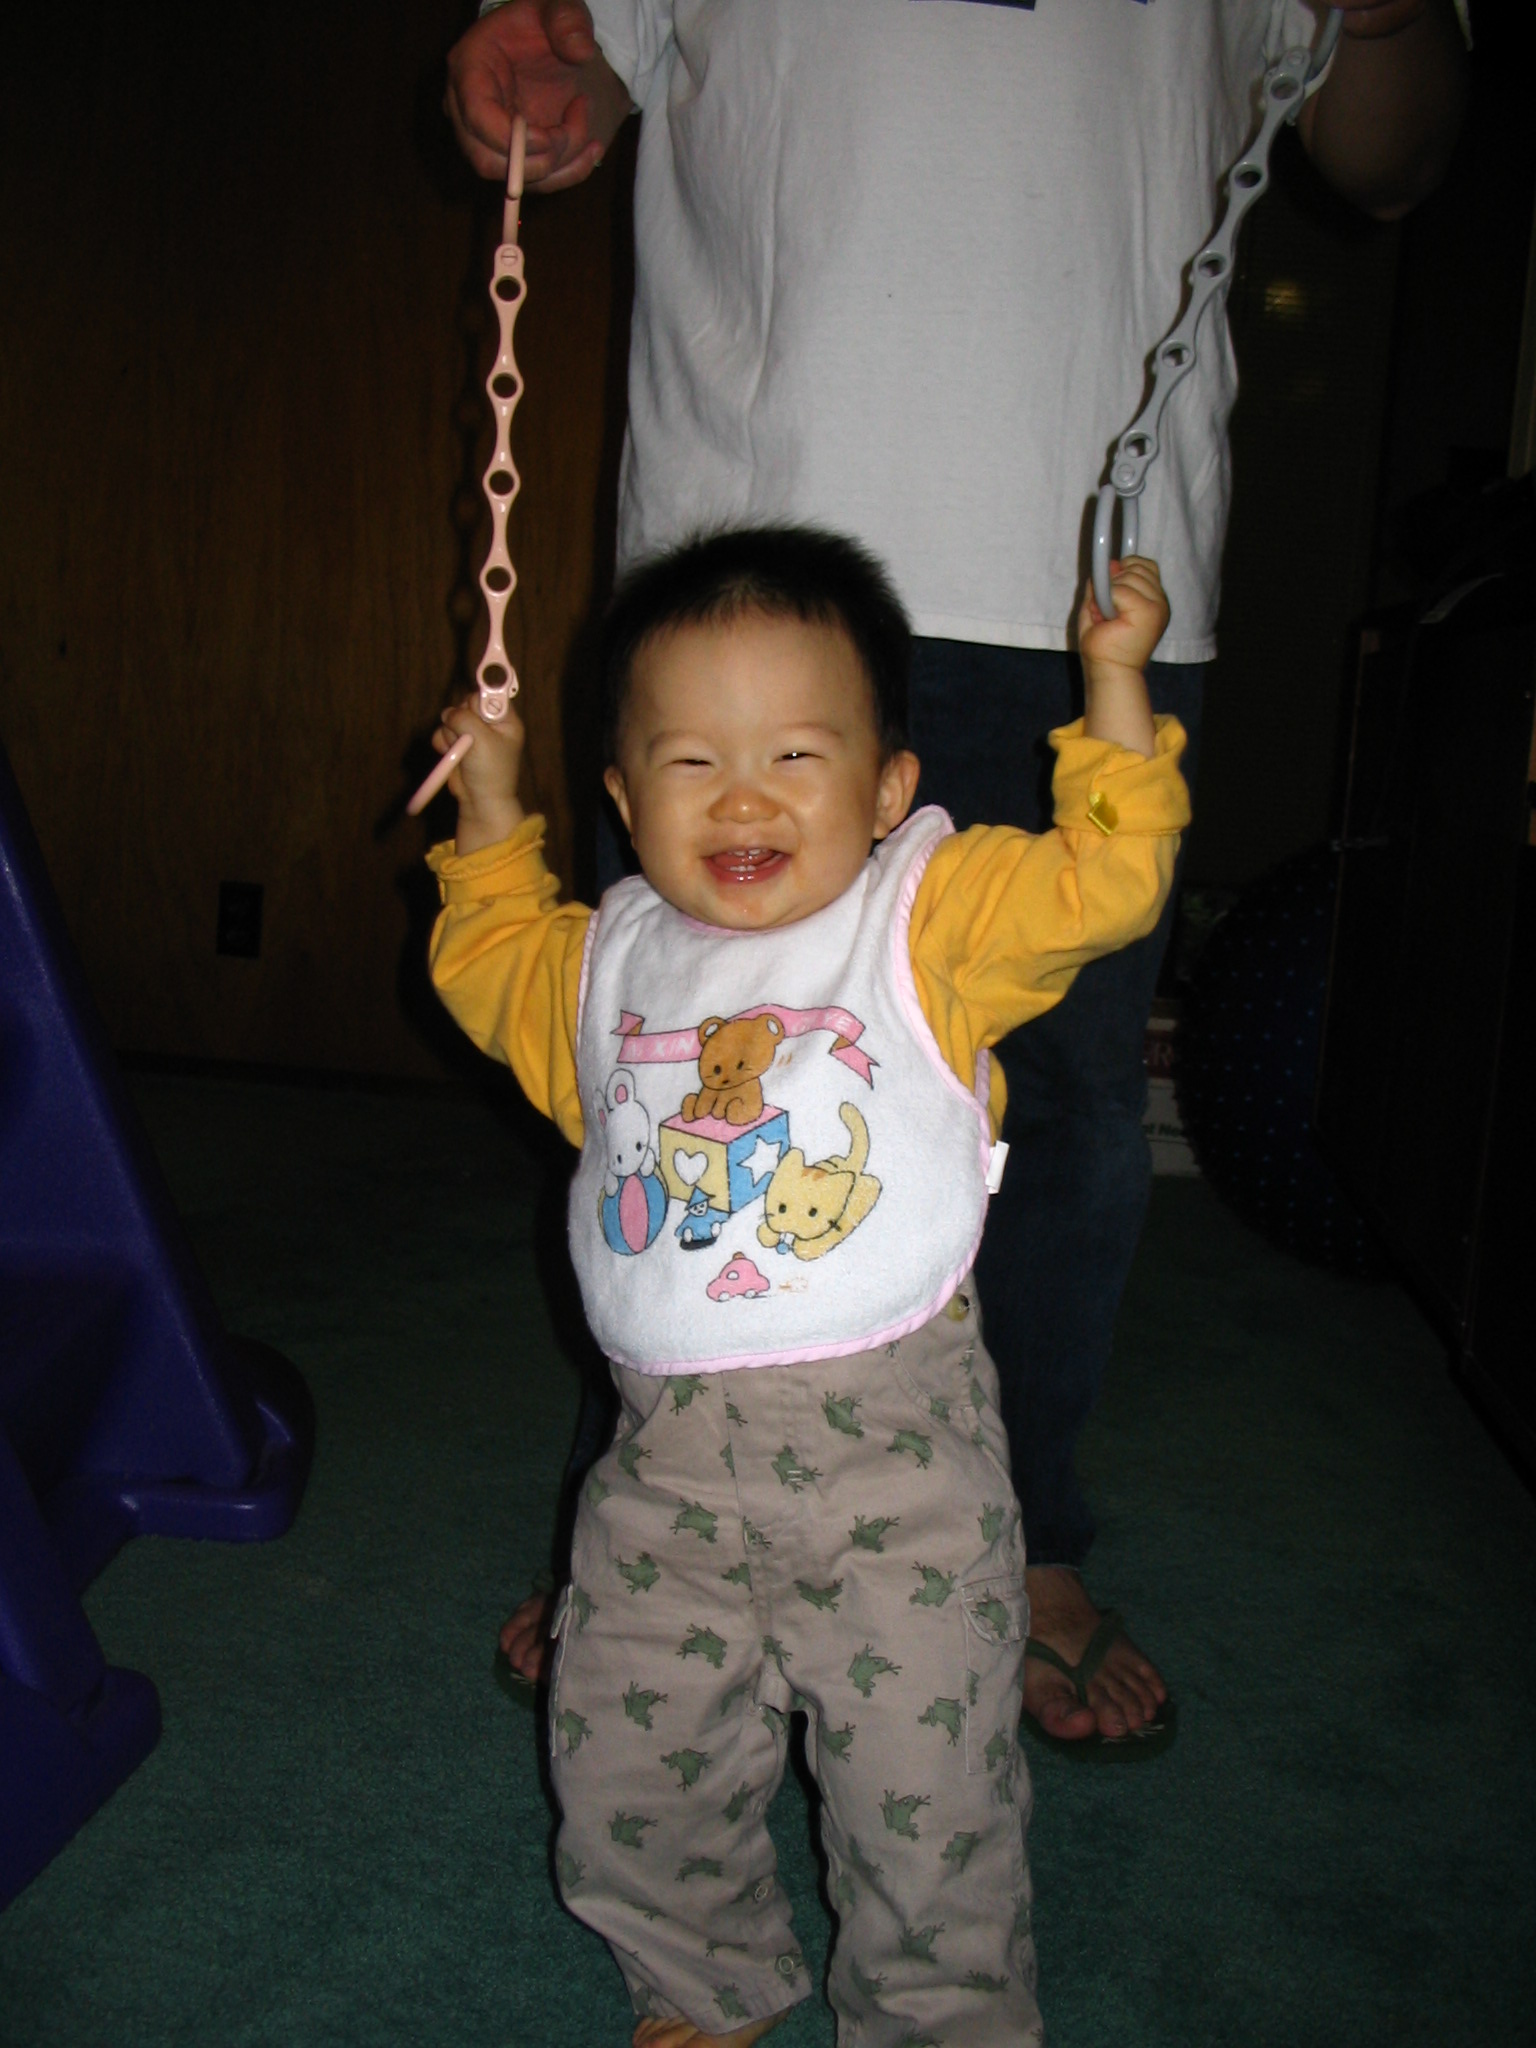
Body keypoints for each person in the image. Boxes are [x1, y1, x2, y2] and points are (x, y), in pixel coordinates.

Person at [446, 0, 1469, 1740]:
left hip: (1078, 538)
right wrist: (558, 68)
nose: (750, 802)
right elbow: (508, 974)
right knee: (641, 1070)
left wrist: (1116, 706)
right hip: (740, 523)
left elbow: (1388, 150)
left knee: (1052, 1110)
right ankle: (654, 1518)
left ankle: (1018, 1532)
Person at [426, 523, 1188, 2047]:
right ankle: (703, 1979)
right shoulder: (605, 964)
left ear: (888, 789)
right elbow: (491, 948)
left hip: (896, 1474)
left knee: (927, 1799)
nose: (744, 797)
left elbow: (1105, 882)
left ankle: (939, 2018)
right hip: (662, 1477)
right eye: (691, 762)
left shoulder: (928, 918)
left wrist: (1113, 686)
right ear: (625, 799)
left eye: (794, 753)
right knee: (624, 1766)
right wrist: (493, 806)